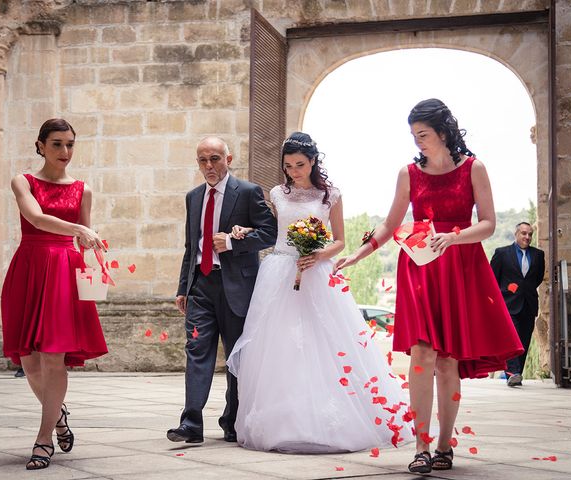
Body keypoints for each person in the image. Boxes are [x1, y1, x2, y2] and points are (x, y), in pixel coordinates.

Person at [335, 99, 523, 473]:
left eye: (423, 134)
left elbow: (488, 223)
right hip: (419, 268)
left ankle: (443, 446)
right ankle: (420, 446)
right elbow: (389, 225)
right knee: (421, 355)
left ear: (442, 131)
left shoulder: (474, 168)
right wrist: (360, 253)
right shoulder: (408, 173)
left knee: (448, 360)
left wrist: (454, 238)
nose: (418, 141)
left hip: (460, 266)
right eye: (414, 135)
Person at [226, 132, 414, 453]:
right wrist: (245, 231)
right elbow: (273, 233)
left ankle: (330, 419)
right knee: (281, 347)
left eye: (300, 164)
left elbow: (339, 239)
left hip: (318, 272)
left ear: (313, 162)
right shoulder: (277, 193)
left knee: (324, 344)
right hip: (280, 272)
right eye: (288, 166)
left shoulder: (331, 196)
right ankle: (283, 420)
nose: (294, 171)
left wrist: (318, 254)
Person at [1, 118, 108, 470]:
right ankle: (58, 413)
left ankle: (43, 438)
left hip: (64, 272)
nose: (65, 151)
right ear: (41, 146)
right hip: (29, 268)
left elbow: (83, 237)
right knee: (28, 360)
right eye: (58, 144)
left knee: (53, 357)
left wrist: (95, 254)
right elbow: (35, 218)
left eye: (70, 144)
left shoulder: (83, 189)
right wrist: (79, 227)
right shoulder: (23, 182)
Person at [167, 137, 277, 445]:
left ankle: (232, 421)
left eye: (214, 159)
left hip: (237, 286)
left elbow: (271, 233)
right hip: (201, 286)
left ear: (228, 157)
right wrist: (183, 288)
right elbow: (192, 246)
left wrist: (232, 240)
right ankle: (191, 423)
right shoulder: (193, 197)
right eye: (202, 160)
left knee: (236, 357)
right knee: (196, 352)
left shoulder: (248, 192)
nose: (209, 166)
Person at [490, 222, 545, 387]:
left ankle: (516, 374)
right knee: (511, 338)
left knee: (524, 339)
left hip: (528, 303)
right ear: (516, 234)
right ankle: (512, 372)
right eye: (523, 233)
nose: (527, 237)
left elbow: (537, 278)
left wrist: (524, 289)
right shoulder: (502, 253)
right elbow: (493, 278)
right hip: (508, 303)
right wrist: (505, 290)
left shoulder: (538, 255)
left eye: (530, 234)